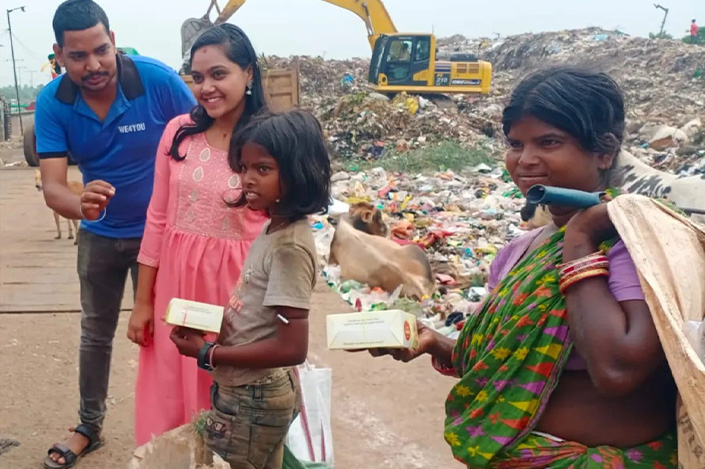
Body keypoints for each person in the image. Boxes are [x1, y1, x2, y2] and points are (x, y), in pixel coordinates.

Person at [366, 67, 678, 468]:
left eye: (548, 142)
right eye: (515, 144)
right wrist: (434, 342)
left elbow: (616, 370)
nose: (525, 160)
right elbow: (510, 365)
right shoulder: (520, 251)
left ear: (604, 151)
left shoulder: (637, 245)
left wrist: (581, 238)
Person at [35, 0, 196, 467]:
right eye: (77, 56)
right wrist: (80, 205)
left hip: (162, 237)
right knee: (95, 333)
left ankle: (187, 423)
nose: (93, 65)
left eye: (100, 50)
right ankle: (89, 426)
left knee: (174, 329)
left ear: (113, 40)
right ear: (59, 55)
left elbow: (206, 138)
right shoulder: (52, 102)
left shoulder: (156, 81)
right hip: (100, 237)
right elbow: (52, 187)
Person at [127, 23, 269, 446]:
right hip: (175, 288)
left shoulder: (269, 140)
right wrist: (142, 303)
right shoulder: (178, 132)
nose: (206, 87)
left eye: (218, 74)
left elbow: (282, 227)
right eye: (197, 77)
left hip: (237, 291)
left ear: (248, 72)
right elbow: (157, 219)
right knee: (171, 388)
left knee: (231, 391)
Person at [169, 109, 332, 469]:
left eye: (263, 169)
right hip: (250, 391)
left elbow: (292, 347)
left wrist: (209, 353)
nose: (247, 179)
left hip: (252, 397)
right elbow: (262, 315)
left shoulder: (289, 248)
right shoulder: (275, 228)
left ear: (299, 172)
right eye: (243, 168)